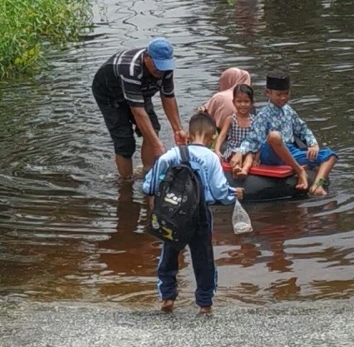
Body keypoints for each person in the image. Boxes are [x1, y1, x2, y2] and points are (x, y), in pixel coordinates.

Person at [142, 112, 244, 314]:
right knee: (203, 258)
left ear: (188, 135)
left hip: (172, 212)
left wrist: (152, 196)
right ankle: (205, 304)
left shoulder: (173, 154)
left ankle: (167, 297)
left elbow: (150, 183)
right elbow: (219, 191)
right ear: (212, 136)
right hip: (200, 215)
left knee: (169, 254)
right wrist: (235, 194)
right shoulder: (212, 158)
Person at [92, 37, 188, 181]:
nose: (160, 71)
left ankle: (148, 173)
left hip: (140, 91)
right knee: (125, 141)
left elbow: (168, 97)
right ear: (147, 58)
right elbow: (137, 111)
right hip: (110, 94)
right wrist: (157, 145)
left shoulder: (165, 68)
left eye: (163, 67)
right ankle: (126, 181)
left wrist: (177, 129)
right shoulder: (130, 70)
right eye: (157, 66)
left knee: (153, 129)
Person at [230, 70, 338, 196]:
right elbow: (252, 139)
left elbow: (302, 129)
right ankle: (300, 170)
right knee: (275, 136)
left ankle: (317, 186)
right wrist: (240, 151)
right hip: (271, 152)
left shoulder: (289, 111)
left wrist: (313, 144)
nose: (283, 98)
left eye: (286, 94)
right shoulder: (263, 115)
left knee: (331, 155)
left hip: (290, 151)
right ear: (268, 93)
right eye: (279, 94)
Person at [214, 84, 256, 178]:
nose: (242, 105)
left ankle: (245, 169)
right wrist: (217, 150)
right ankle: (236, 168)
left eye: (246, 101)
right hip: (233, 148)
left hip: (247, 150)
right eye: (239, 101)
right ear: (233, 102)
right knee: (233, 155)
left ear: (252, 102)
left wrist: (257, 157)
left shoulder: (254, 120)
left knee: (249, 157)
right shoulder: (231, 119)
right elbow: (222, 135)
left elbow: (258, 139)